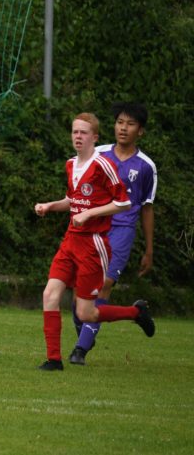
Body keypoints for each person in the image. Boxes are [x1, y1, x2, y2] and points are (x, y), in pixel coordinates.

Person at [33, 112, 155, 371]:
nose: (78, 136)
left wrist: (90, 214)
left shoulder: (103, 166)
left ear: (95, 137)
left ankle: (136, 313)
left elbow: (123, 202)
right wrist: (50, 205)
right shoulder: (70, 165)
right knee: (50, 294)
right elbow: (72, 200)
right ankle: (54, 360)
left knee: (86, 313)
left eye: (84, 132)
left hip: (93, 243)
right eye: (75, 132)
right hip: (70, 241)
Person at [68, 103, 157, 365]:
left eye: (130, 124)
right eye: (120, 122)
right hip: (92, 228)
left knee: (103, 286)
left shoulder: (145, 166)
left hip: (121, 231)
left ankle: (80, 351)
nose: (123, 128)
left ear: (140, 131)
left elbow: (147, 208)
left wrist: (149, 250)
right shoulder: (99, 154)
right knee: (78, 296)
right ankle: (131, 314)